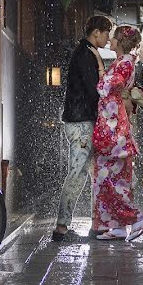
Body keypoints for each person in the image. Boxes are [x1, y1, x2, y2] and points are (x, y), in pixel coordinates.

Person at [51, 15, 113, 242]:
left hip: (81, 121)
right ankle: (61, 229)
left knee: (87, 174)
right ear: (96, 32)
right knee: (77, 174)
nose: (108, 38)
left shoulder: (86, 52)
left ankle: (85, 226)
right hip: (80, 123)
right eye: (106, 33)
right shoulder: (85, 54)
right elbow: (94, 91)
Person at [92, 26, 143, 242]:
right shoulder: (123, 61)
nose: (110, 40)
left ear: (120, 41)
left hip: (114, 126)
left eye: (114, 37)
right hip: (113, 123)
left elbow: (109, 85)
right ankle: (116, 226)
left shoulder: (125, 62)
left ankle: (136, 218)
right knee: (107, 179)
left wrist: (101, 77)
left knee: (111, 180)